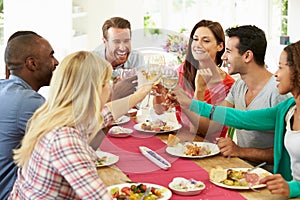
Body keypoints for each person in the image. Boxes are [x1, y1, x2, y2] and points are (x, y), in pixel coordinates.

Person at [9, 51, 154, 199]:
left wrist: (141, 93)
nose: (110, 88)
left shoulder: (55, 117)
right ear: (96, 88)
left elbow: (106, 113)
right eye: (107, 83)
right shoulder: (65, 139)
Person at [173, 40, 300, 198]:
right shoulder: (287, 108)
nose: (276, 73)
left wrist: (293, 188)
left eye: (281, 67)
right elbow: (243, 118)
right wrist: (190, 103)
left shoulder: (279, 97)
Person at [0, 31, 59, 199]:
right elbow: (71, 144)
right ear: (32, 63)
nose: (56, 62)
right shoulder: (29, 102)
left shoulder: (4, 87)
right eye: (51, 55)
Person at [154, 19, 235, 138]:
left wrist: (199, 90)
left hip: (211, 148)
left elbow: (201, 130)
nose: (198, 44)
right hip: (182, 142)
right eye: (195, 39)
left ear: (220, 46)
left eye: (206, 41)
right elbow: (159, 110)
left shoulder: (228, 86)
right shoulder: (182, 71)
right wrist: (158, 94)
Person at [93, 16, 145, 100]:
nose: (122, 47)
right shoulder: (92, 61)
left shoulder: (136, 58)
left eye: (126, 41)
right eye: (116, 41)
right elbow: (92, 102)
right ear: (105, 42)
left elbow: (140, 94)